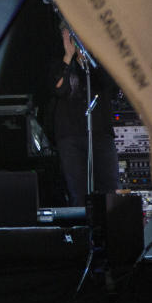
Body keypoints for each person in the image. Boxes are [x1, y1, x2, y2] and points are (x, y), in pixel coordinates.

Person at [47, 24, 118, 207]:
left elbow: (109, 83)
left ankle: (109, 231)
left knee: (109, 189)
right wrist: (68, 56)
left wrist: (89, 59)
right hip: (70, 134)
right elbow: (59, 89)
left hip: (100, 132)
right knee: (77, 193)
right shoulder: (58, 62)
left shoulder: (100, 62)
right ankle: (82, 232)